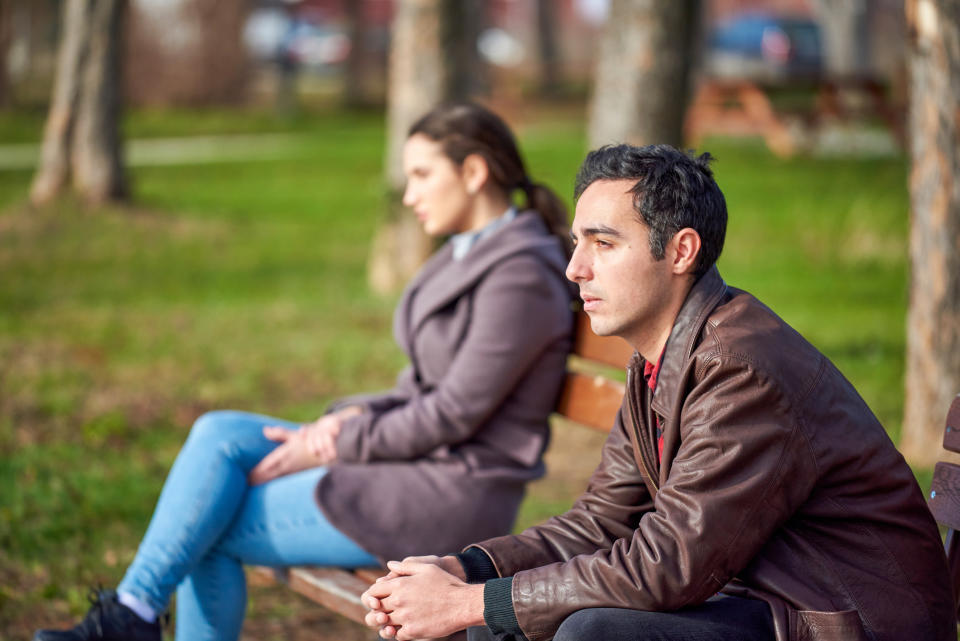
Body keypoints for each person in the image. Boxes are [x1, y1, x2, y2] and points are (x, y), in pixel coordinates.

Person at [360, 144, 956, 641]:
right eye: (577, 242)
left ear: (681, 251)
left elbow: (669, 565)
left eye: (603, 243)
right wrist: (463, 568)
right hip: (766, 599)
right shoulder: (660, 356)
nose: (574, 268)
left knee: (586, 632)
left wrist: (472, 603)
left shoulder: (739, 368)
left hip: (845, 622)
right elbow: (601, 521)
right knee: (505, 618)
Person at [34, 102, 575, 641]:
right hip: (412, 465)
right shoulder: (471, 253)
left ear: (474, 172)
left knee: (208, 527)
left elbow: (452, 413)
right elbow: (422, 389)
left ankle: (133, 615)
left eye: (421, 175)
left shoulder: (519, 277)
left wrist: (334, 443)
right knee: (220, 432)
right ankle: (134, 610)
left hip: (450, 492)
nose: (409, 195)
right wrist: (342, 420)